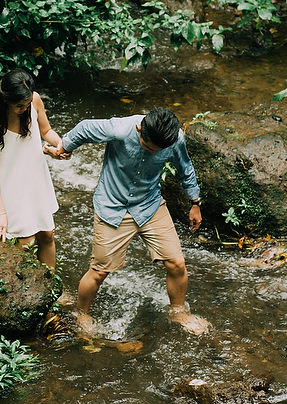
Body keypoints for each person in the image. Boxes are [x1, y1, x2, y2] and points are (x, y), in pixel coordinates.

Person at [44, 106, 211, 335]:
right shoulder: (119, 129)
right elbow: (84, 127)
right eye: (147, 147)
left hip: (149, 205)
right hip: (113, 207)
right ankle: (81, 314)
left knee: (177, 263)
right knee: (99, 271)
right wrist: (65, 147)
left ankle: (178, 311)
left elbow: (185, 168)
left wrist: (194, 202)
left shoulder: (174, 139)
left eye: (157, 151)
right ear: (139, 128)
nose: (153, 153)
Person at [0, 69, 61, 267]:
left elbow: (46, 130)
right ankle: (23, 294)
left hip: (35, 181)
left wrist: (60, 145)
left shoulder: (34, 101)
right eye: (19, 105)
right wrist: (1, 211)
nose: (25, 108)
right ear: (6, 99)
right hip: (11, 188)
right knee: (23, 244)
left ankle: (52, 291)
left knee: (47, 236)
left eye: (27, 104)